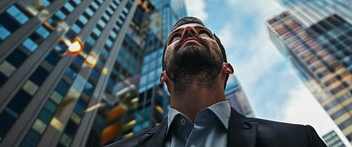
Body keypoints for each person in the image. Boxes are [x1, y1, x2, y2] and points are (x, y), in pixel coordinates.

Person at [106, 17, 327, 147]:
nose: (189, 32)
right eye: (175, 36)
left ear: (227, 68)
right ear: (164, 75)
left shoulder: (298, 140)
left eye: (203, 33)